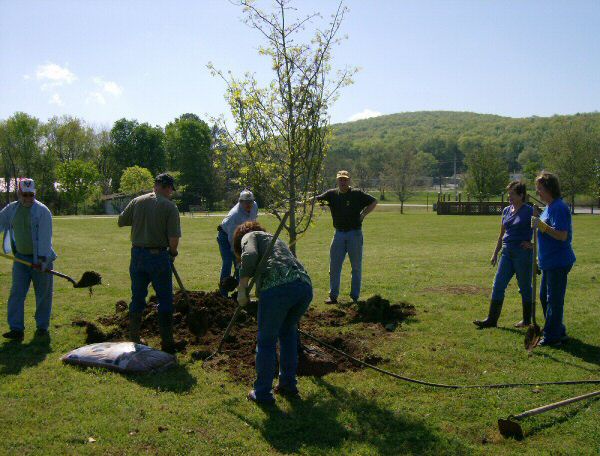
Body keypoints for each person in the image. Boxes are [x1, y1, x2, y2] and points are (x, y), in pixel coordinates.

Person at [234, 221, 313, 404]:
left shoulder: (249, 236)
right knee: (287, 334)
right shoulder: (275, 240)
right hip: (303, 286)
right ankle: (288, 384)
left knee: (266, 341)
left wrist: (242, 288)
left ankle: (262, 393)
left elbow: (250, 255)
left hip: (277, 288)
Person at [118, 173, 182, 353]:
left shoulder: (137, 201)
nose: (171, 193)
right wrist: (173, 253)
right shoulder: (169, 207)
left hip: (137, 254)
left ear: (156, 185)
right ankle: (167, 342)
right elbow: (174, 238)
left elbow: (121, 221)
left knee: (137, 296)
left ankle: (135, 337)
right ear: (168, 187)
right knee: (165, 298)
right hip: (158, 256)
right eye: (171, 190)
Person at [0, 178, 56, 341]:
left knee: (43, 295)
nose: (28, 198)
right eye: (24, 194)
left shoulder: (43, 211)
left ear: (34, 194)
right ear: (19, 194)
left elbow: (46, 238)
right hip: (21, 259)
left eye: (31, 195)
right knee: (17, 293)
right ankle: (16, 329)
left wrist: (42, 261)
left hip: (41, 259)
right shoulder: (12, 209)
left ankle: (42, 327)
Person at [474, 181, 533, 328]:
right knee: (498, 284)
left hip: (522, 254)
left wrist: (533, 245)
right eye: (509, 193)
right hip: (506, 253)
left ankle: (527, 320)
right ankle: (492, 320)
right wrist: (495, 253)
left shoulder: (530, 211)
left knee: (524, 287)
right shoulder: (506, 210)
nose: (509, 196)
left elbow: (544, 231)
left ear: (521, 195)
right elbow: (501, 235)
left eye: (512, 193)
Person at [315, 170, 377, 304]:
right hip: (338, 234)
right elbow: (316, 200)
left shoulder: (357, 194)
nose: (343, 182)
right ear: (337, 181)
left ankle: (354, 297)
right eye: (340, 180)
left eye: (345, 179)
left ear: (349, 181)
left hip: (354, 234)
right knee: (334, 266)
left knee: (356, 267)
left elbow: (374, 201)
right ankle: (333, 296)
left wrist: (363, 214)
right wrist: (300, 203)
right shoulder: (331, 194)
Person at [531, 171, 576, 347]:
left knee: (553, 300)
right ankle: (558, 330)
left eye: (540, 188)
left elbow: (562, 235)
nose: (538, 192)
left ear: (549, 188)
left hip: (558, 261)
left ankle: (552, 336)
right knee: (545, 297)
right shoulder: (549, 207)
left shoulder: (559, 207)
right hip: (548, 261)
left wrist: (541, 225)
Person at [217, 190, 258, 296]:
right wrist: (237, 256)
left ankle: (241, 293)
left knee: (241, 265)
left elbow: (253, 222)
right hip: (225, 237)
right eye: (246, 202)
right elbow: (232, 239)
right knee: (228, 262)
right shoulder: (234, 216)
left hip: (241, 235)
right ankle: (223, 294)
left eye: (251, 201)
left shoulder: (254, 206)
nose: (249, 204)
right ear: (240, 201)